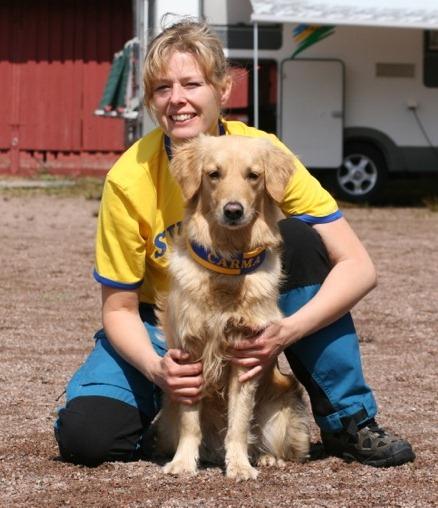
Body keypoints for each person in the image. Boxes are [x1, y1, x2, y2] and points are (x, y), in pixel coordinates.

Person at [54, 19, 415, 468]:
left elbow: (359, 267)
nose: (177, 99)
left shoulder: (263, 154)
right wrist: (157, 367)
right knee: (88, 436)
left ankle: (349, 419)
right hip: (160, 322)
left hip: (250, 304)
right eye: (163, 88)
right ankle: (160, 419)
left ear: (222, 89)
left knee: (301, 240)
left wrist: (287, 331)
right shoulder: (129, 177)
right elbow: (118, 308)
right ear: (150, 99)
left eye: (192, 83)